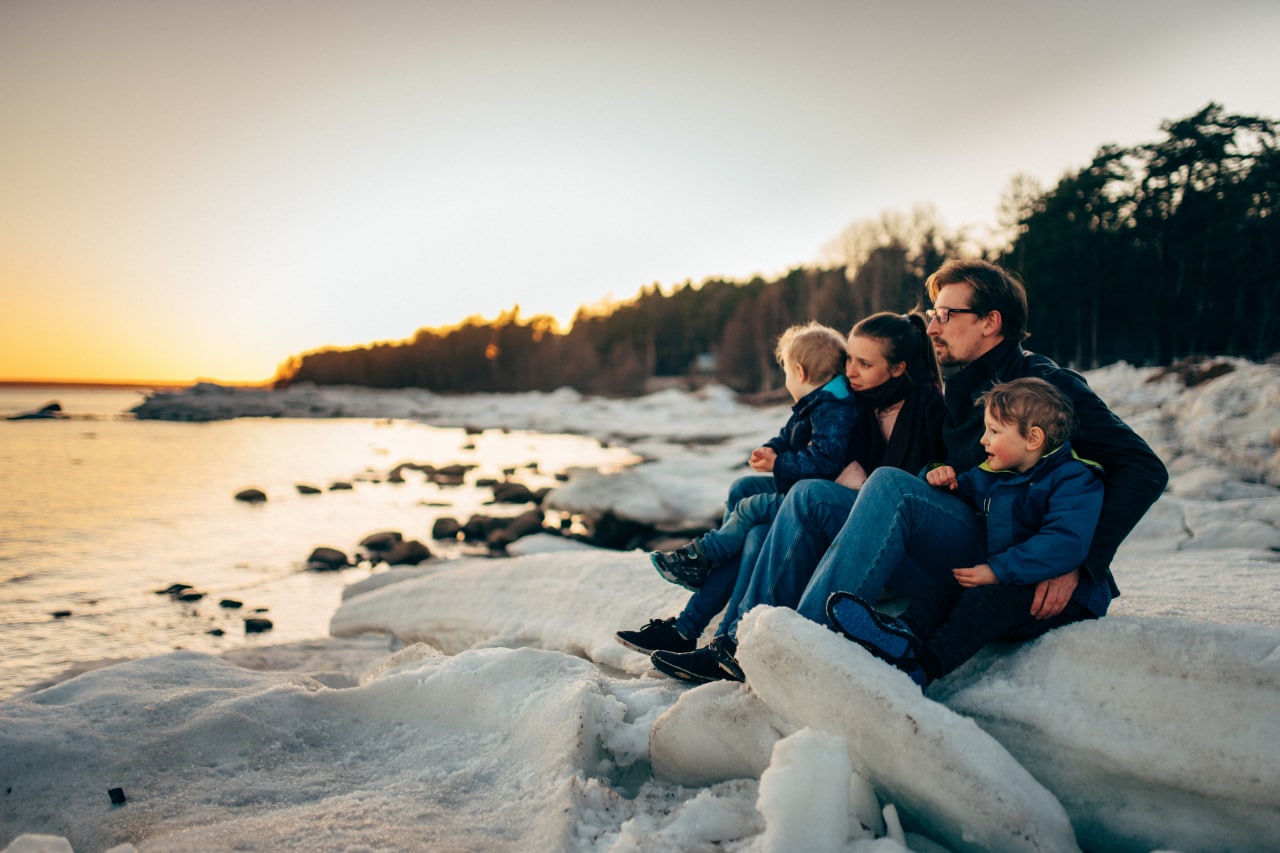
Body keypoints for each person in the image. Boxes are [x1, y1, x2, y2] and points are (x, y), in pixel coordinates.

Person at [652, 258, 1167, 685]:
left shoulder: (1041, 384)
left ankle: (796, 650)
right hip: (966, 534)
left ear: (991, 322)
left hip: (1007, 552)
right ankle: (738, 644)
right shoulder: (961, 379)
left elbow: (1143, 468)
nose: (933, 324)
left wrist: (1078, 563)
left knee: (891, 488)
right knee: (808, 495)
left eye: (946, 313)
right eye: (933, 311)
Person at [625, 311, 946, 678]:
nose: (850, 371)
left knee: (804, 495)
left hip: (884, 534)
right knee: (750, 508)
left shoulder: (924, 406)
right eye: (849, 360)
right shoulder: (862, 399)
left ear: (898, 368)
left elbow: (917, 477)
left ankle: (724, 608)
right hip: (849, 504)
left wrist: (935, 471)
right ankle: (709, 632)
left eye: (864, 363)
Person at [826, 377, 1105, 688]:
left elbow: (1063, 543)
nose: (983, 441)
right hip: (1008, 579)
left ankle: (921, 667)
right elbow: (957, 490)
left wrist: (997, 571)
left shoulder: (1074, 479)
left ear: (1033, 438)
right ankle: (899, 635)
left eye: (994, 431)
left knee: (981, 602)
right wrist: (938, 476)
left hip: (1056, 599)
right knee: (940, 591)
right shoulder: (993, 475)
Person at [646, 321, 860, 591]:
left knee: (750, 507)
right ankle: (719, 564)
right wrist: (772, 449)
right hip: (796, 488)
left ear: (799, 372)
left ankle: (705, 556)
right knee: (742, 488)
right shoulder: (815, 403)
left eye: (786, 373)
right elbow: (787, 435)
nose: (786, 380)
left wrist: (779, 463)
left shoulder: (834, 407)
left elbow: (825, 462)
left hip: (815, 499)